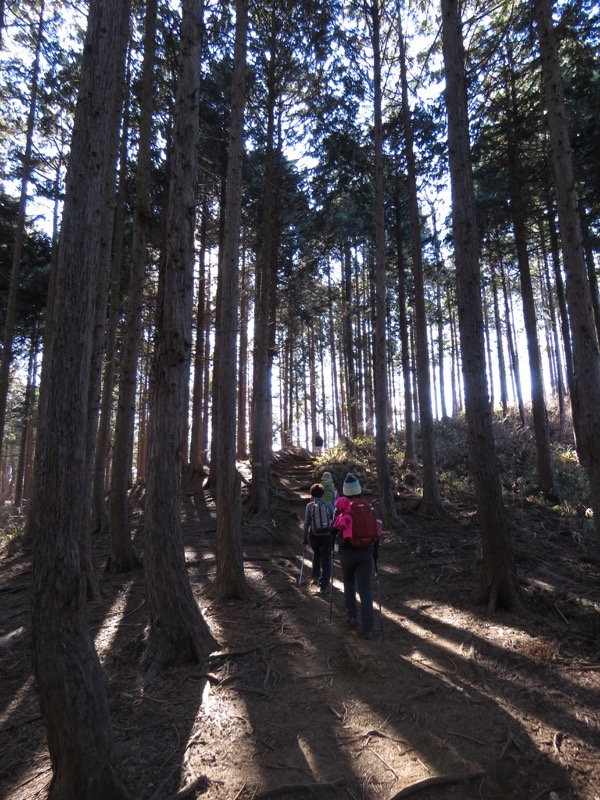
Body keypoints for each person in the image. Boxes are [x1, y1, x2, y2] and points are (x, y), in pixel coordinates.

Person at [335, 472, 381, 639]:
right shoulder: (368, 507)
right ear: (359, 489)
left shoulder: (343, 508)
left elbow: (336, 530)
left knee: (348, 583)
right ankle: (368, 628)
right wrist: (375, 550)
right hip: (366, 553)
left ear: (346, 491)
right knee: (365, 590)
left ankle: (352, 617)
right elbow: (377, 530)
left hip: (348, 553)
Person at [302, 483, 334, 593]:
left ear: (312, 494)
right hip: (327, 535)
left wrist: (304, 537)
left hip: (314, 535)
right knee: (326, 558)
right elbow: (333, 521)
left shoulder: (309, 506)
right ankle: (324, 584)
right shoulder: (328, 505)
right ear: (323, 493)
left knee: (316, 554)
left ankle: (315, 576)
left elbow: (306, 523)